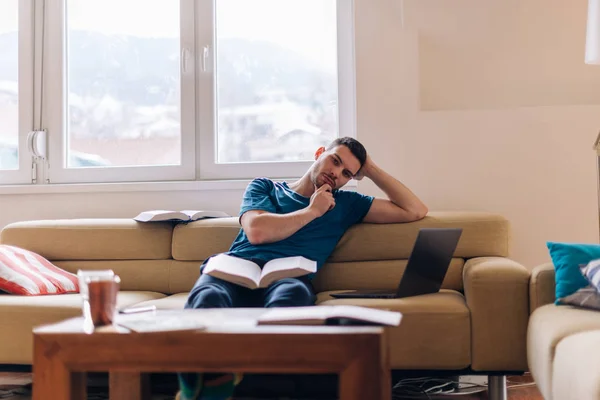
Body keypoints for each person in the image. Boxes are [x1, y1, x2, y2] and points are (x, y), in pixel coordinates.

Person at [176, 137, 428, 400]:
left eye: (347, 174)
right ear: (319, 153)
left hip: (289, 275)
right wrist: (312, 212)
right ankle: (204, 382)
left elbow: (415, 209)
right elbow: (257, 232)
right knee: (207, 298)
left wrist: (371, 168)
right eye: (335, 160)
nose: (336, 174)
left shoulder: (347, 204)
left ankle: (251, 387)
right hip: (236, 269)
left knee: (290, 304)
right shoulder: (265, 187)